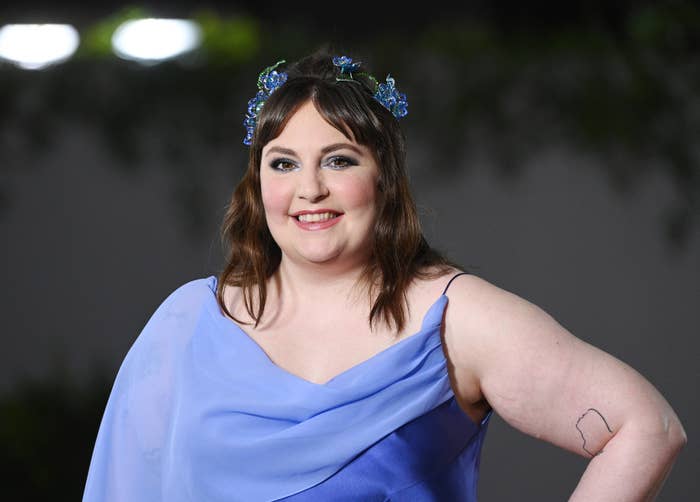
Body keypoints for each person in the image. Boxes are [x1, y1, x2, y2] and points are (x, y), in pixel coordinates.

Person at [83, 49, 686, 501]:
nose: (309, 188)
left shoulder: (455, 320)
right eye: (284, 163)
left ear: (384, 179)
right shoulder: (189, 323)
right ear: (257, 182)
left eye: (339, 160)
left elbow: (647, 426)